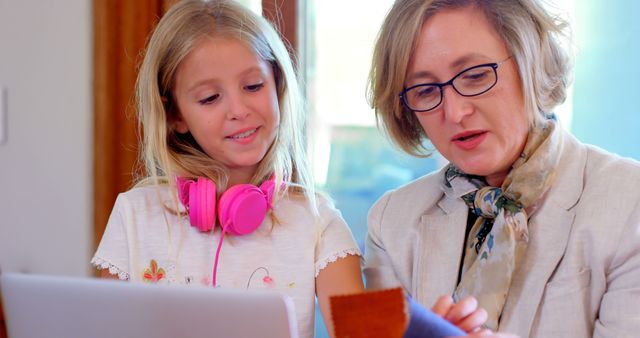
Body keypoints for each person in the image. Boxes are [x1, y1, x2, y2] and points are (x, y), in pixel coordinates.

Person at [364, 0, 640, 337]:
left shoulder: (629, 202)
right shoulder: (392, 222)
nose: (454, 112)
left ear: (531, 61)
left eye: (475, 76)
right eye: (424, 91)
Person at [90, 1, 365, 337]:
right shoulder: (134, 216)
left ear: (277, 86)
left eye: (253, 86)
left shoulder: (318, 222)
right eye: (210, 98)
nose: (239, 110)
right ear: (175, 115)